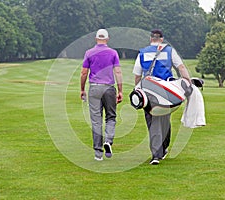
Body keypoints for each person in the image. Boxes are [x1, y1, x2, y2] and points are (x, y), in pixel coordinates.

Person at [132, 29, 191, 165]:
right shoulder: (169, 51)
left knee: (152, 121)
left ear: (151, 38)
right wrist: (187, 81)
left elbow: (137, 75)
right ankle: (163, 148)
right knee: (164, 119)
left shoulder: (142, 53)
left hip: (148, 91)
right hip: (166, 91)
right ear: (162, 39)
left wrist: (138, 90)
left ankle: (156, 154)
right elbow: (180, 67)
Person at [80, 29, 123, 161]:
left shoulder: (89, 53)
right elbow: (118, 72)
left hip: (94, 88)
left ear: (96, 38)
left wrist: (82, 89)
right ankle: (108, 141)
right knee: (111, 117)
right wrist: (120, 90)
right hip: (109, 88)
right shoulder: (113, 53)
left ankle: (98, 153)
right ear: (107, 38)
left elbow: (83, 73)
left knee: (96, 120)